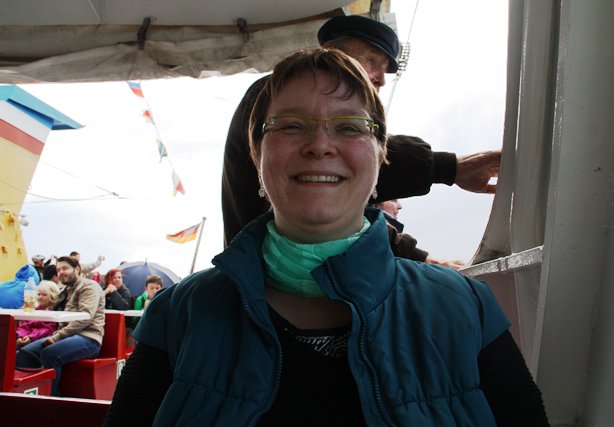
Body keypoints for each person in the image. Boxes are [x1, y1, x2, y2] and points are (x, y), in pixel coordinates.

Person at [106, 49, 547, 426]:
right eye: (291, 125)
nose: (319, 144)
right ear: (257, 157)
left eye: (350, 126)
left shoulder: (465, 307)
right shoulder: (178, 313)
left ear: (381, 158)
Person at [221, 14, 501, 246]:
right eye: (371, 60)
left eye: (348, 129)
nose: (381, 79)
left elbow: (348, 218)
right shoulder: (273, 93)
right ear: (329, 53)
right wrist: (450, 167)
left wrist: (413, 257)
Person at [21, 256, 105, 396]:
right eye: (58, 269)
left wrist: (56, 337)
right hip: (66, 336)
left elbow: (85, 317)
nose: (61, 272)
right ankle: (25, 394)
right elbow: (49, 308)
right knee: (25, 352)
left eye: (65, 268)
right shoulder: (65, 290)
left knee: (50, 354)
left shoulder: (89, 286)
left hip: (88, 338)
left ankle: (51, 399)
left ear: (77, 269)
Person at [374, 198, 465, 269]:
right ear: (375, 204)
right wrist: (432, 262)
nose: (400, 206)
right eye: (393, 200)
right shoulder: (376, 226)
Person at [16, 281, 60, 347]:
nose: (40, 297)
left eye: (44, 295)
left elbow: (48, 330)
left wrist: (30, 337)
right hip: (27, 338)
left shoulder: (53, 313)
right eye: (39, 294)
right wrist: (20, 336)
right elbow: (25, 325)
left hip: (39, 340)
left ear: (52, 296)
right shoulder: (34, 310)